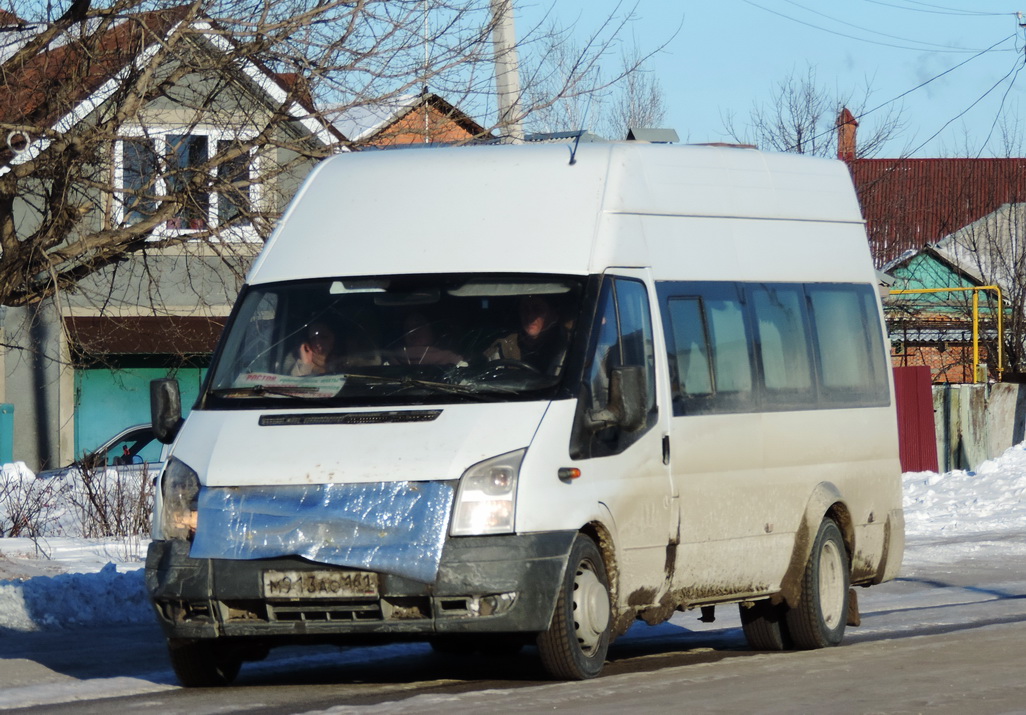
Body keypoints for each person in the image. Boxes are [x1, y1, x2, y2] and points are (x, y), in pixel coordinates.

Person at [485, 295, 569, 374]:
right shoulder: (503, 346)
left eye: (537, 309)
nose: (530, 315)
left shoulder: (567, 346)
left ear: (553, 314)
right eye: (525, 309)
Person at [394, 312, 464, 366]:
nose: (412, 332)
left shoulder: (451, 360)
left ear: (433, 329)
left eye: (418, 326)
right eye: (407, 329)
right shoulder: (392, 361)